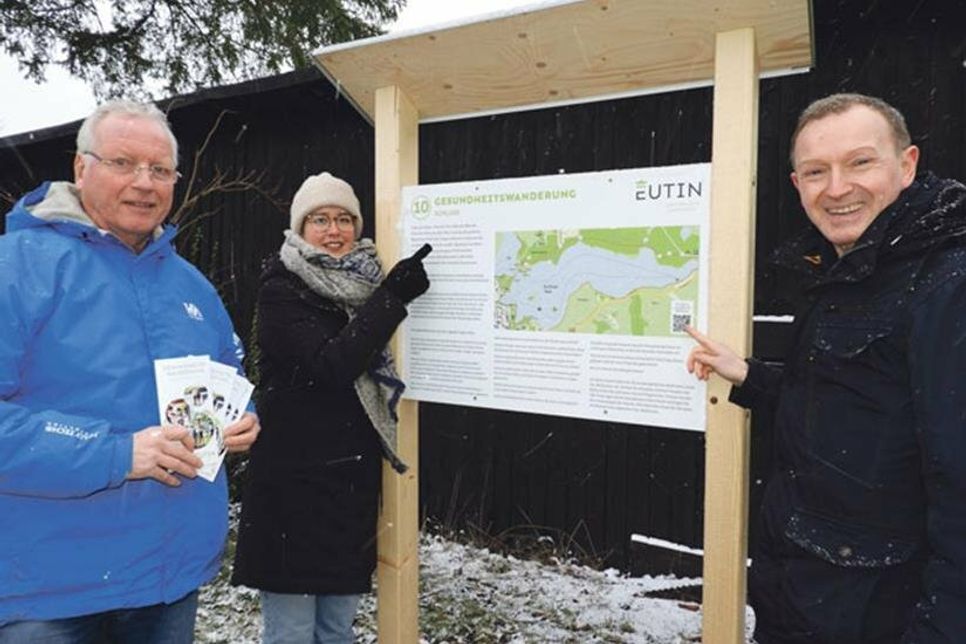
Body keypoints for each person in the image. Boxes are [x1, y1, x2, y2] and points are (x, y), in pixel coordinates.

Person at [686, 93, 966, 643]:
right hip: (807, 597)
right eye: (816, 171)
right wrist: (748, 375)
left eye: (860, 162)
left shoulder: (947, 284)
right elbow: (847, 402)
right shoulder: (846, 269)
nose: (837, 188)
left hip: (879, 614)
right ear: (797, 185)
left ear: (907, 165)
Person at [0, 100, 260, 642]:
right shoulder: (16, 268)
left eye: (160, 170)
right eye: (123, 163)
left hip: (167, 582)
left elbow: (229, 385)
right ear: (80, 168)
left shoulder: (192, 286)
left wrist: (243, 421)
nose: (145, 183)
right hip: (48, 593)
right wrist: (116, 453)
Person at [231, 172, 430, 643]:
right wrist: (392, 298)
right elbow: (330, 365)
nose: (334, 230)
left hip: (347, 492)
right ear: (300, 228)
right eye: (320, 219)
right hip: (291, 496)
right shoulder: (281, 288)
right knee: (293, 634)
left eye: (344, 219)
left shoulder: (364, 282)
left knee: (337, 631)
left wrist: (386, 296)